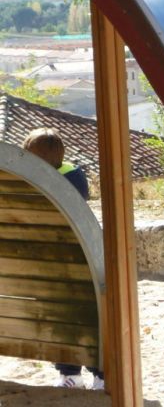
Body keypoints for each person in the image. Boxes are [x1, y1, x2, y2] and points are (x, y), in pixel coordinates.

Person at [22, 127, 104, 390]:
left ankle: (72, 374)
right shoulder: (75, 177)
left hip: (50, 262)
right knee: (86, 316)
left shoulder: (32, 182)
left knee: (61, 317)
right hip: (79, 258)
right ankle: (97, 374)